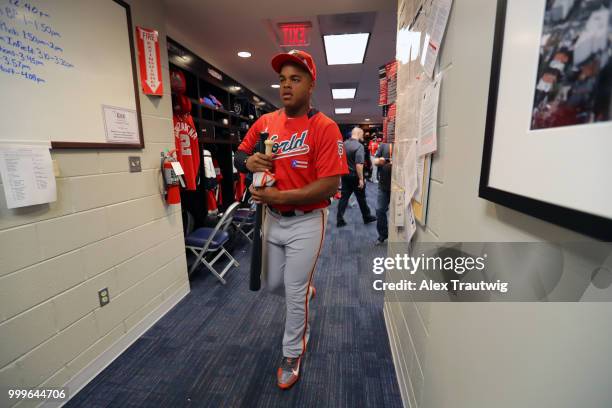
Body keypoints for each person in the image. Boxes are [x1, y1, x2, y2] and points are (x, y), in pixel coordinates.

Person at [234, 50, 348, 390]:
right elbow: (240, 154)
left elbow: (330, 185)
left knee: (295, 293)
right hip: (270, 218)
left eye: (295, 79)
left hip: (306, 221)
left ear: (311, 84)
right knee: (272, 285)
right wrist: (248, 162)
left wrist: (280, 197)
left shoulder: (324, 127)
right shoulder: (266, 122)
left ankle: (291, 353)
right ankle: (306, 288)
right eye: (282, 79)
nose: (286, 85)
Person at [336, 127, 377, 227]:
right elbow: (359, 164)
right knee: (361, 198)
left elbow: (339, 159)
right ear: (358, 134)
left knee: (344, 198)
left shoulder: (344, 144)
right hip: (355, 176)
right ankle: (367, 217)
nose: (363, 137)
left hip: (345, 175)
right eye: (362, 135)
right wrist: (361, 179)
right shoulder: (359, 146)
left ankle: (339, 219)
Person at [374, 141, 392, 244]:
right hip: (383, 185)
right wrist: (379, 161)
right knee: (380, 210)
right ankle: (383, 235)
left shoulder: (405, 144)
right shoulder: (384, 145)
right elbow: (375, 160)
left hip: (400, 185)